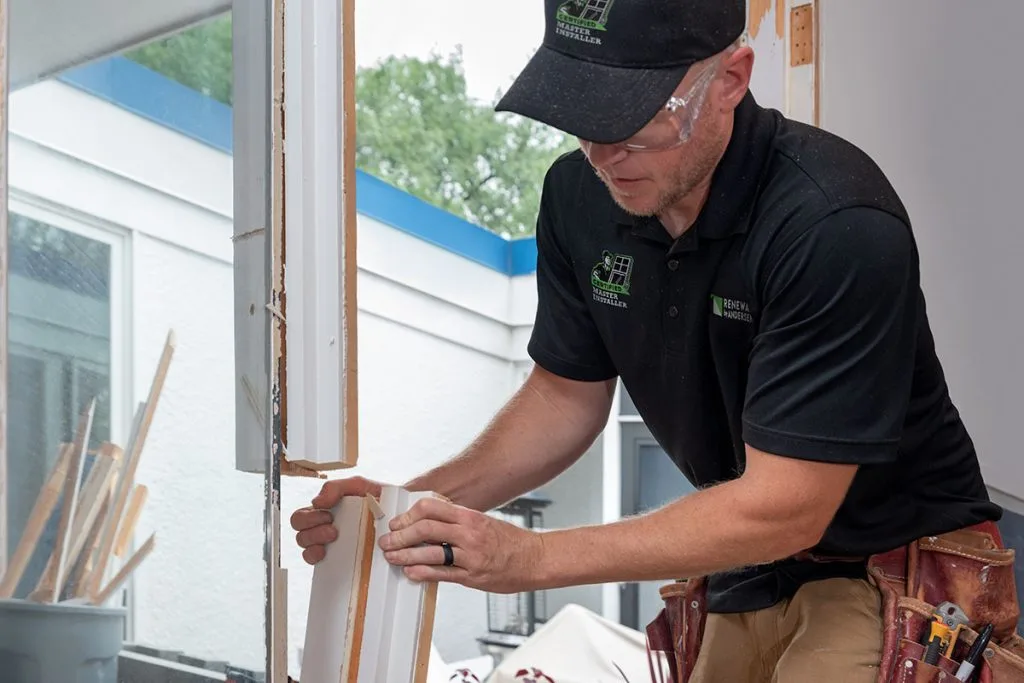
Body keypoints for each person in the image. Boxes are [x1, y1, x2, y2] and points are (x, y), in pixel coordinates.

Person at [291, 0, 1020, 680]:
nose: (607, 155)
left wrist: (533, 556)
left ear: (731, 78)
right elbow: (563, 397)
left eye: (636, 120)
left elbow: (786, 504)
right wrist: (412, 509)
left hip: (891, 562)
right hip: (749, 562)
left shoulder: (833, 223)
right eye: (583, 119)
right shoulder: (580, 196)